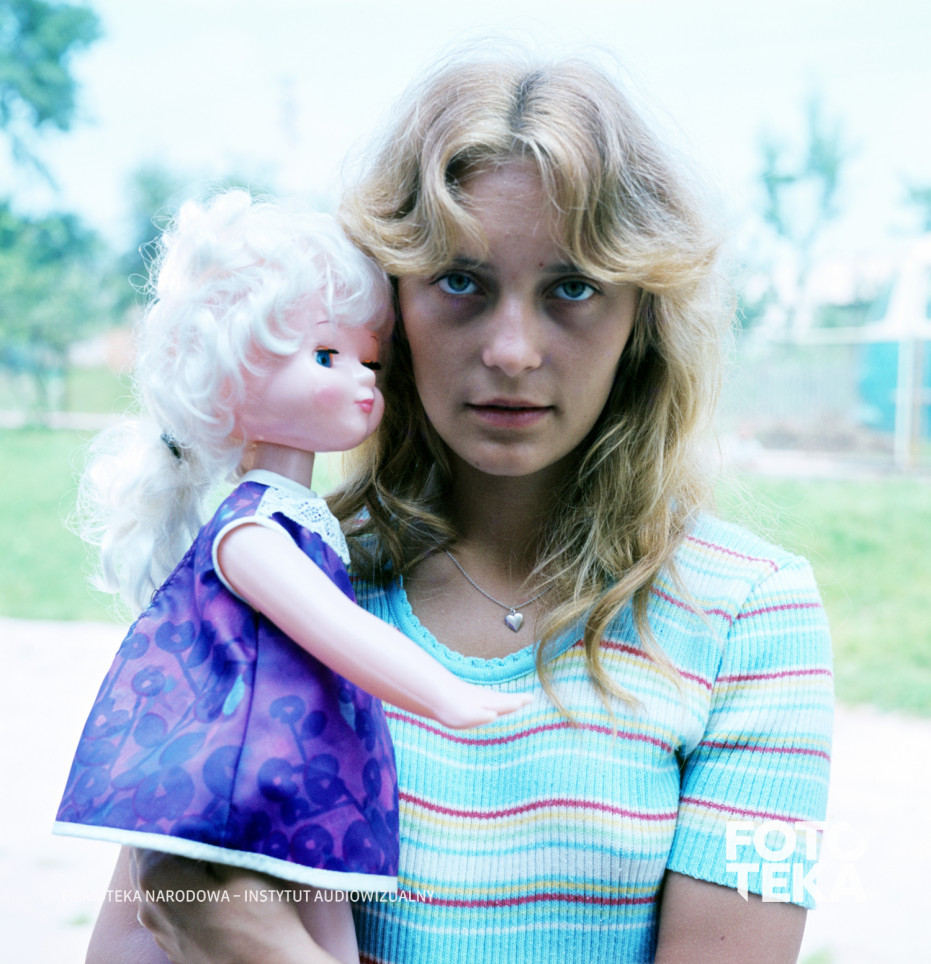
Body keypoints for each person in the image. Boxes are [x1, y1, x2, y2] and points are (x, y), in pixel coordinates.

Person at [84, 49, 833, 964]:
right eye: (460, 281)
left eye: (572, 287)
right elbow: (140, 927)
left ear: (642, 315)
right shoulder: (284, 575)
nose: (512, 350)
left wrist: (263, 949)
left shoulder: (753, 618)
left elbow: (217, 925)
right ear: (386, 300)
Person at [55, 190, 528, 964]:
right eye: (326, 357)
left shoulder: (302, 519)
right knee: (186, 914)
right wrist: (445, 693)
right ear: (232, 371)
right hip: (246, 768)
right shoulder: (250, 529)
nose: (363, 381)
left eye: (370, 362)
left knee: (323, 890)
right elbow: (336, 629)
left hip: (299, 755)